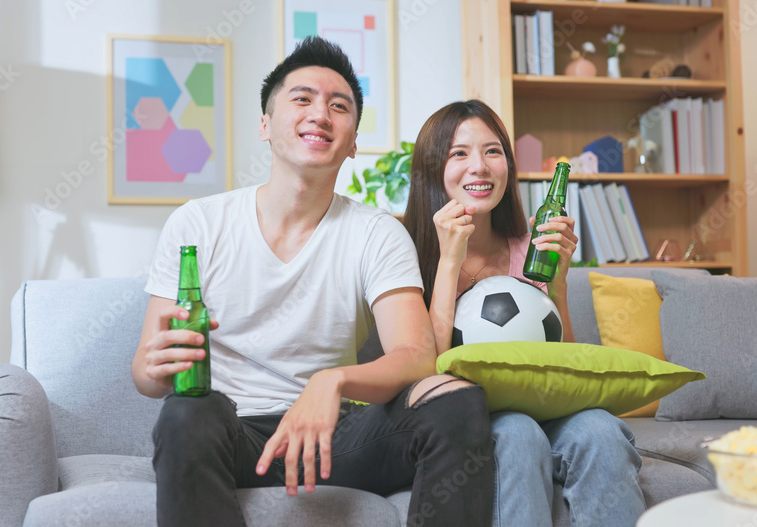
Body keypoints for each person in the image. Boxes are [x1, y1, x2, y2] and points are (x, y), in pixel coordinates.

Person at [131, 38, 495, 527]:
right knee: (183, 412)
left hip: (337, 438)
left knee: (456, 399)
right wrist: (155, 368)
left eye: (338, 106)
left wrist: (333, 379)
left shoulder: (377, 233)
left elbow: (416, 357)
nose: (320, 114)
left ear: (352, 141)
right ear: (265, 124)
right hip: (230, 433)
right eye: (302, 99)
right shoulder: (198, 223)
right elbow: (145, 373)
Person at [402, 99, 646, 527]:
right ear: (431, 169)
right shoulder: (404, 247)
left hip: (545, 406)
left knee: (601, 430)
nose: (479, 166)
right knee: (517, 432)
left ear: (508, 167)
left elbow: (563, 361)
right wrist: (448, 263)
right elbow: (427, 367)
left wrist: (559, 284)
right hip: (466, 419)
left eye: (492, 151)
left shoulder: (531, 243)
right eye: (459, 153)